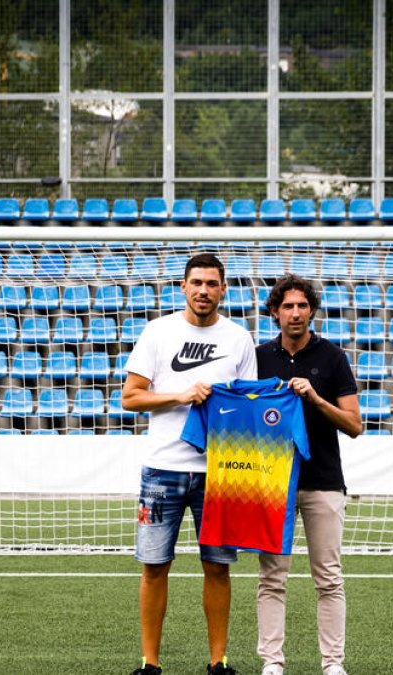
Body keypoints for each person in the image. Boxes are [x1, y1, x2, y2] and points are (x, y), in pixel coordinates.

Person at [122, 252, 257, 675]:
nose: (203, 290)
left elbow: (249, 406)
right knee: (154, 566)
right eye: (196, 282)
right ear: (183, 286)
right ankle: (150, 664)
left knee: (217, 568)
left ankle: (218, 662)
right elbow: (130, 397)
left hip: (219, 474)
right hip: (162, 470)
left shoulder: (238, 338)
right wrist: (179, 396)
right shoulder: (158, 332)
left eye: (212, 283)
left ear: (223, 289)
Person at [254, 274, 362, 675]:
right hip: (272, 484)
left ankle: (333, 664)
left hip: (324, 482)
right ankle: (272, 662)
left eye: (302, 306)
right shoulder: (258, 356)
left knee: (329, 579)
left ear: (312, 310)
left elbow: (354, 424)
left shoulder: (333, 358)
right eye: (287, 306)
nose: (295, 313)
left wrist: (315, 399)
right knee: (271, 578)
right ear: (274, 312)